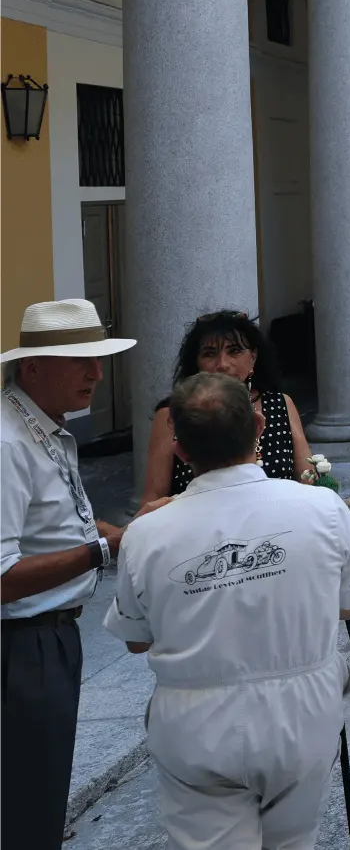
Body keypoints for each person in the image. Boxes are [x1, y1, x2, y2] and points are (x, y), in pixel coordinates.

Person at [105, 373, 350, 850]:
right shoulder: (321, 507)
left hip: (195, 722)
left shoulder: (146, 533)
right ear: (259, 425)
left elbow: (135, 637)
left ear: (181, 450)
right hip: (302, 710)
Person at [1, 301, 135, 850]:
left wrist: (137, 533)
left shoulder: (42, 428)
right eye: (80, 360)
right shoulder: (9, 443)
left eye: (98, 360)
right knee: (28, 808)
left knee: (40, 795)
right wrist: (102, 549)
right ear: (32, 368)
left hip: (48, 637)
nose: (96, 374)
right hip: (22, 644)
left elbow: (65, 524)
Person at [144, 309, 312, 501]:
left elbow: (308, 478)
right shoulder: (172, 414)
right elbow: (154, 497)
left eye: (234, 351)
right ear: (196, 363)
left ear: (253, 357)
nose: (222, 364)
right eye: (209, 354)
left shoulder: (280, 403)